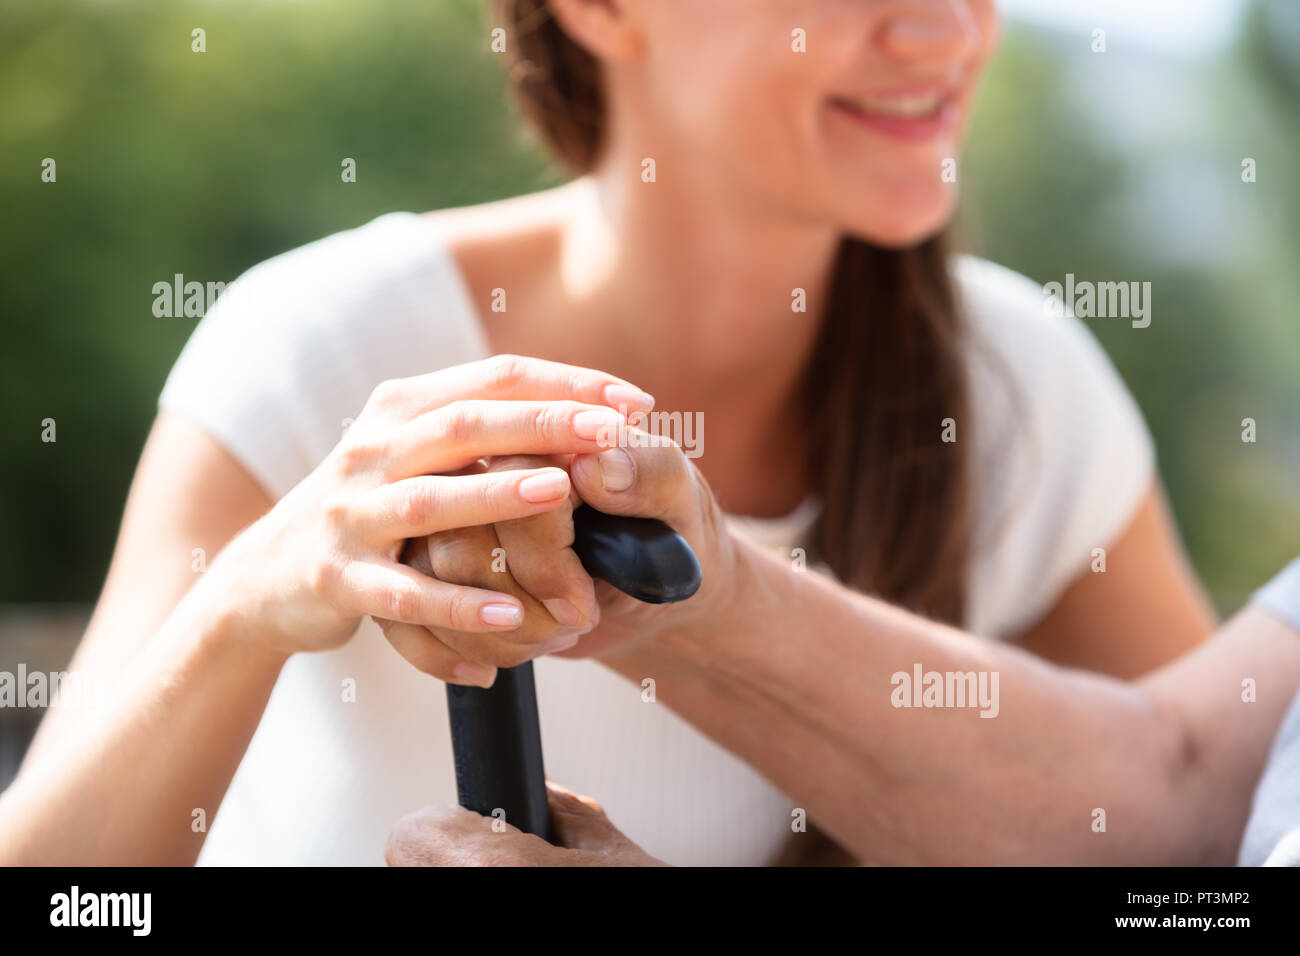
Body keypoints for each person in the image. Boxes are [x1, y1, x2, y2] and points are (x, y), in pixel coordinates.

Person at [0, 0, 1239, 865]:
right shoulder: (318, 344)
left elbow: (1209, 839)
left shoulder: (1022, 392)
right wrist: (244, 607)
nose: (950, 30)